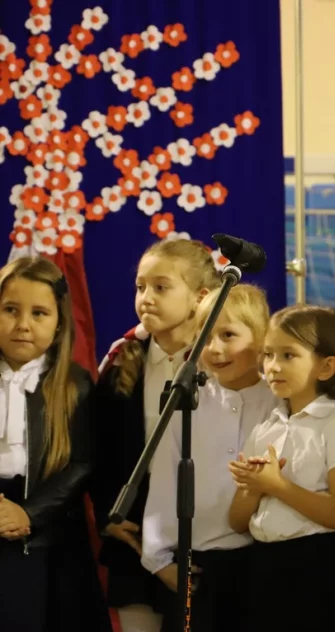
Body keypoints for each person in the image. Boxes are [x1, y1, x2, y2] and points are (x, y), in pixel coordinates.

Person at [92, 239, 220, 632]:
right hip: (135, 534)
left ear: (200, 297)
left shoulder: (221, 362)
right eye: (140, 286)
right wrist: (107, 515)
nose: (146, 297)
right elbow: (97, 448)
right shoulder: (122, 359)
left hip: (205, 534)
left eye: (161, 287)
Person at [141, 284, 277, 631]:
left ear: (261, 338)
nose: (214, 349)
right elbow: (165, 480)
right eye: (205, 335)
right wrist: (159, 560)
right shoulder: (185, 401)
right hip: (199, 567)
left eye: (228, 335)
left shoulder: (278, 402)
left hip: (263, 561)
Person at [228, 305, 335, 630]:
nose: (272, 366)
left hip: (317, 568)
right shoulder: (265, 430)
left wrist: (277, 486)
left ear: (326, 366)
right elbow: (237, 521)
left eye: (288, 355)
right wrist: (253, 486)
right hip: (264, 565)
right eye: (268, 355)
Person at [0, 256, 111, 632]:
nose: (23, 325)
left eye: (39, 313)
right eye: (10, 310)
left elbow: (82, 464)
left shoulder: (74, 385)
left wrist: (29, 513)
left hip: (47, 533)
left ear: (59, 322)